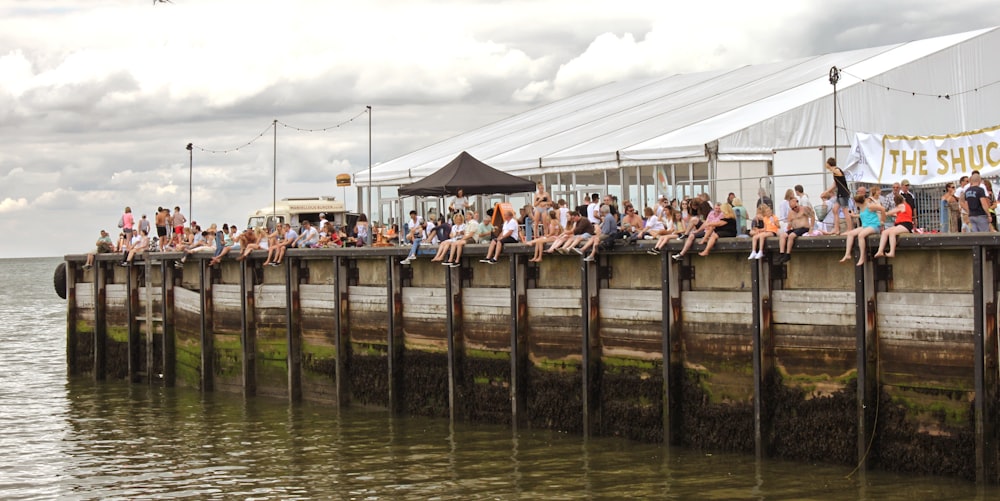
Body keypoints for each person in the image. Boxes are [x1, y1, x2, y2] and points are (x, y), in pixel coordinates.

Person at [840, 194, 885, 266]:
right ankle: (847, 254)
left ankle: (862, 257)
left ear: (857, 202)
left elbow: (882, 209)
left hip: (874, 226)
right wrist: (854, 215)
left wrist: (882, 220)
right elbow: (864, 215)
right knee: (850, 234)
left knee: (861, 235)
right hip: (865, 226)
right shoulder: (861, 207)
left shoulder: (869, 206)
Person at [775, 197, 815, 264]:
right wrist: (787, 227)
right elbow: (789, 222)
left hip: (803, 228)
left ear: (797, 203)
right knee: (783, 236)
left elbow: (812, 216)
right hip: (794, 229)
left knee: (791, 236)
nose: (795, 209)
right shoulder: (791, 212)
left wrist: (811, 227)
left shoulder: (804, 209)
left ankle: (788, 254)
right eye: (792, 208)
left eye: (795, 207)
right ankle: (781, 253)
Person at [874, 194, 913, 258]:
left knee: (892, 233)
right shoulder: (903, 207)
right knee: (884, 232)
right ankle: (880, 251)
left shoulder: (902, 206)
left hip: (906, 224)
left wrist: (883, 211)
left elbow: (890, 212)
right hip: (899, 224)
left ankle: (892, 252)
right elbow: (896, 214)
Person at [824, 157, 853, 234]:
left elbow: (839, 174)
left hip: (843, 194)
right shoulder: (834, 172)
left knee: (845, 211)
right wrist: (827, 191)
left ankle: (849, 229)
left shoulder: (837, 170)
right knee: (835, 209)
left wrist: (831, 168)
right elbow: (835, 184)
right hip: (839, 193)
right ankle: (836, 228)